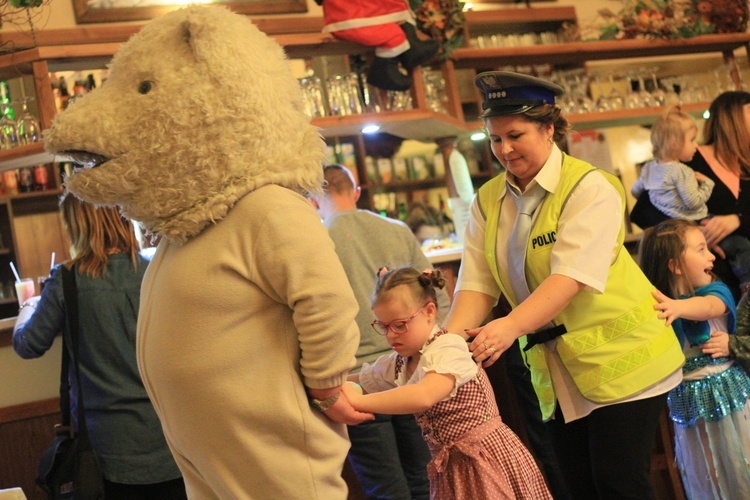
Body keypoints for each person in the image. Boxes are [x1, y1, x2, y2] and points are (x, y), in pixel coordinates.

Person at [444, 70, 685, 499]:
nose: (504, 149)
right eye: (494, 139)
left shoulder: (590, 187)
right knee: (576, 487)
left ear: (550, 128)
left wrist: (507, 328)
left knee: (618, 486)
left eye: (515, 135)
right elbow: (477, 282)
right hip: (558, 374)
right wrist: (446, 342)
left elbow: (569, 278)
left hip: (627, 363)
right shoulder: (487, 199)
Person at [13, 193, 187, 500]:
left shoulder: (67, 279)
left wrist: (28, 306)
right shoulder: (157, 268)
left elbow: (29, 344)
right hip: (171, 441)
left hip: (108, 449)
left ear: (78, 227)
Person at [343, 266, 551, 499]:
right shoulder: (401, 362)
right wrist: (330, 385)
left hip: (485, 459)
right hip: (452, 468)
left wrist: (358, 401)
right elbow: (362, 379)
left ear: (429, 311)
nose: (391, 335)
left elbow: (424, 395)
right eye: (383, 327)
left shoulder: (447, 347)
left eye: (399, 325)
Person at [310, 163, 451, 500]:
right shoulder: (397, 229)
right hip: (409, 371)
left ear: (314, 201)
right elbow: (438, 301)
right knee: (426, 477)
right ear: (356, 192)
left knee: (384, 488)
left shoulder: (316, 240)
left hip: (355, 382)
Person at [638, 218, 750, 498]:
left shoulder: (716, 291)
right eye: (701, 249)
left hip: (731, 398)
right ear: (675, 265)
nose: (711, 255)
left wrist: (676, 307)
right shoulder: (657, 308)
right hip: (688, 403)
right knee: (707, 472)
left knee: (743, 462)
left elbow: (708, 307)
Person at [630, 91, 750, 300]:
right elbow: (642, 212)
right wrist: (693, 232)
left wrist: (737, 220)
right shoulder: (686, 160)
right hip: (708, 287)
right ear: (730, 118)